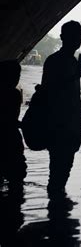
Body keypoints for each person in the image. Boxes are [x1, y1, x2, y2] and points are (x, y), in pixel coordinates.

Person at [40, 20, 81, 198]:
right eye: (74, 37)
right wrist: (75, 75)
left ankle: (58, 208)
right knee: (58, 171)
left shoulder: (73, 62)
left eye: (80, 37)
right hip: (59, 125)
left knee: (64, 170)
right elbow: (50, 89)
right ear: (63, 38)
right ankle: (57, 212)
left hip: (72, 125)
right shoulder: (54, 61)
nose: (78, 40)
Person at [0, 60, 27, 190]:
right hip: (11, 139)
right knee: (16, 179)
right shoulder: (14, 94)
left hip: (8, 138)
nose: (17, 79)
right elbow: (11, 119)